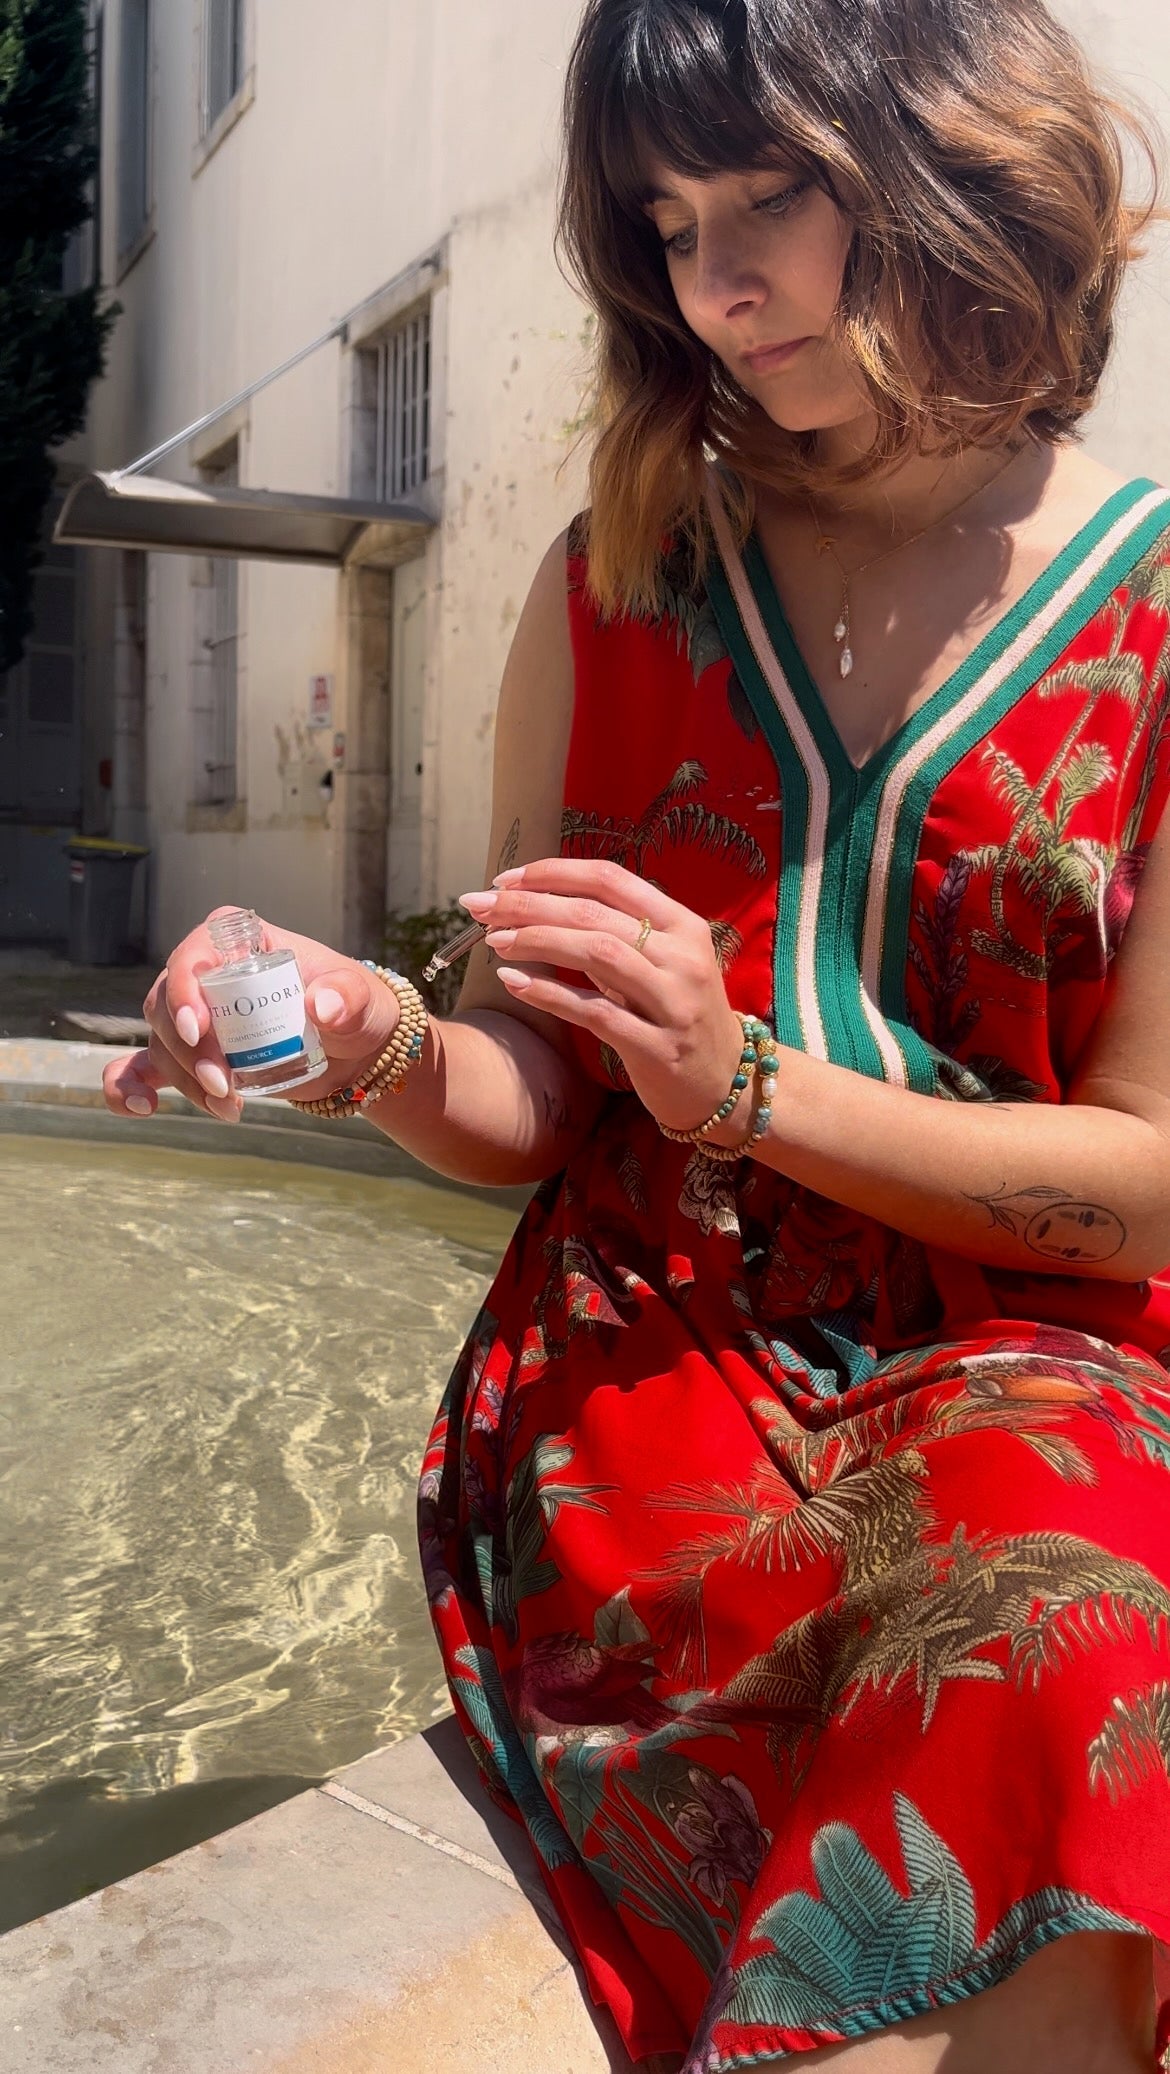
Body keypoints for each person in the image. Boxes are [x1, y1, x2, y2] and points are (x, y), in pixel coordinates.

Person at [105, 0, 1170, 2065]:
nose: (716, 283)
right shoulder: (623, 576)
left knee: (1067, 1639)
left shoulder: (1157, 620)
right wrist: (369, 1035)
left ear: (958, 158)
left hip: (1038, 1351)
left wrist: (748, 1077)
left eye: (773, 200)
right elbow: (535, 1087)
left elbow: (1147, 1191)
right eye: (668, 223)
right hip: (651, 1349)